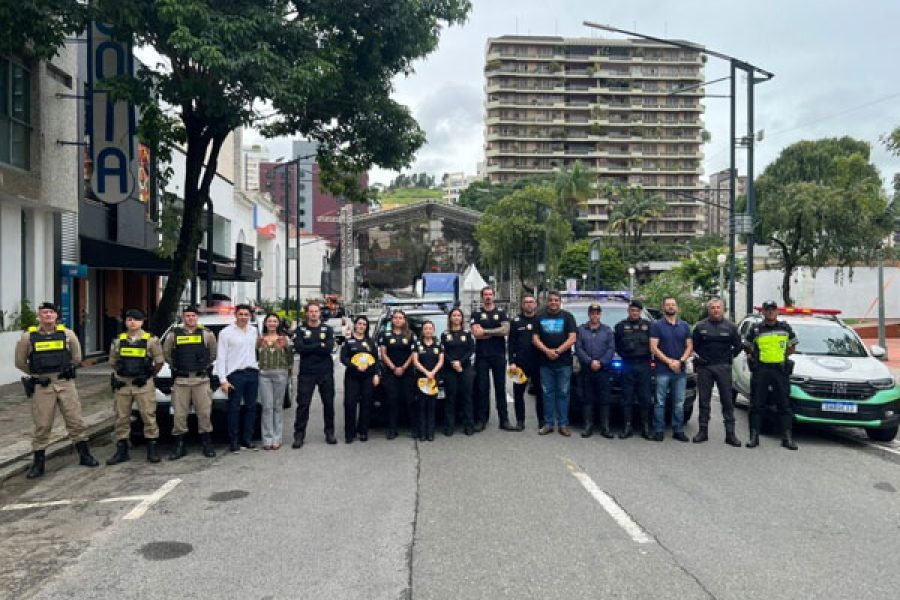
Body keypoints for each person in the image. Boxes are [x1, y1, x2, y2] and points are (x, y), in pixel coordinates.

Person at [15, 302, 99, 478]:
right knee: (42, 424)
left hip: (65, 383)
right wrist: (36, 374)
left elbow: (77, 357)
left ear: (56, 315)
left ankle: (85, 455)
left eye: (51, 312)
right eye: (44, 312)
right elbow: (20, 362)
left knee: (75, 420)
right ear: (39, 315)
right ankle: (38, 464)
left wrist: (67, 369)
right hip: (43, 385)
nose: (48, 315)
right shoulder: (28, 337)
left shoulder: (67, 334)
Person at [107, 309, 165, 464]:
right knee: (121, 418)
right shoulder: (118, 340)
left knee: (148, 416)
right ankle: (122, 450)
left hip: (143, 385)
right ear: (125, 322)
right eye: (129, 319)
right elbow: (113, 362)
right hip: (123, 384)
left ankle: (152, 450)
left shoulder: (151, 340)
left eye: (136, 319)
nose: (132, 322)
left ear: (142, 322)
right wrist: (122, 373)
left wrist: (147, 376)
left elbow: (159, 362)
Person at [163, 304, 218, 460]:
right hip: (181, 381)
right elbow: (167, 355)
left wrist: (202, 366)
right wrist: (179, 367)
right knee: (179, 415)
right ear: (183, 317)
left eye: (193, 315)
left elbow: (212, 354)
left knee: (204, 414)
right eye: (187, 316)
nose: (190, 318)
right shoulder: (173, 335)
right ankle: (180, 445)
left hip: (201, 380)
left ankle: (207, 443)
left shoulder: (207, 334)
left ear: (197, 317)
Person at [744, 300, 799, 450]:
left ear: (777, 311)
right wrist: (754, 356)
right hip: (761, 369)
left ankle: (787, 438)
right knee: (756, 404)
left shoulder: (785, 328)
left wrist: (782, 356)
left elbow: (792, 346)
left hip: (779, 370)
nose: (770, 312)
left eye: (773, 309)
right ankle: (754, 437)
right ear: (763, 312)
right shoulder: (756, 329)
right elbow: (747, 346)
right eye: (767, 309)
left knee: (784, 405)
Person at [691, 297, 743, 446]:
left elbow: (738, 346)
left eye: (718, 307)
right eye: (712, 308)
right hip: (705, 367)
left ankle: (730, 434)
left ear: (723, 309)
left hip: (723, 367)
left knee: (727, 401)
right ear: (708, 310)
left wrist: (728, 357)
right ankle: (702, 432)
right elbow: (693, 346)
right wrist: (699, 360)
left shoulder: (731, 327)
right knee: (704, 401)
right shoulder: (700, 326)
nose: (715, 310)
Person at [532, 291, 578, 436]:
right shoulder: (539, 317)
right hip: (545, 363)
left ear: (560, 302)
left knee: (563, 393)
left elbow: (572, 338)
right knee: (547, 394)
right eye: (551, 300)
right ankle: (548, 424)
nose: (553, 302)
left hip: (564, 363)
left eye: (556, 300)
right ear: (547, 302)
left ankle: (563, 424)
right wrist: (547, 351)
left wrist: (557, 351)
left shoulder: (568, 317)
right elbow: (535, 338)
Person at [216, 304, 260, 453]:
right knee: (234, 409)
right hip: (235, 375)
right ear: (235, 315)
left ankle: (247, 439)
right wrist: (223, 380)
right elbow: (221, 357)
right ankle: (233, 442)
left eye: (246, 314)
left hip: (252, 373)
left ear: (250, 316)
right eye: (240, 314)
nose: (243, 317)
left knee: (251, 407)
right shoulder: (226, 333)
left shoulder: (254, 331)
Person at [649, 297, 693, 442]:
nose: (671, 307)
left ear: (677, 307)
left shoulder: (684, 326)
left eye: (673, 304)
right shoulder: (657, 325)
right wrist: (669, 362)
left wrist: (680, 361)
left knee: (679, 403)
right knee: (660, 402)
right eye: (668, 305)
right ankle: (658, 430)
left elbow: (689, 346)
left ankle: (678, 430)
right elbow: (653, 347)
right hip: (662, 370)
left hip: (679, 371)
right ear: (663, 308)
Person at [292, 301, 336, 447]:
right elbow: (299, 348)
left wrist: (309, 346)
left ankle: (329, 432)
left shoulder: (328, 329)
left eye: (316, 311)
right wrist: (319, 345)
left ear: (319, 313)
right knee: (303, 404)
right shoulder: (300, 329)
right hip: (307, 373)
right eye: (311, 311)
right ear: (307, 313)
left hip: (325, 371)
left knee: (328, 404)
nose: (313, 314)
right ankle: (299, 435)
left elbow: (328, 348)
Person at [470, 286, 514, 431]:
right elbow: (476, 334)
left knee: (500, 388)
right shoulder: (477, 314)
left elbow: (505, 330)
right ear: (482, 297)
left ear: (494, 296)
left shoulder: (501, 313)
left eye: (490, 294)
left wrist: (486, 331)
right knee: (482, 389)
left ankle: (504, 420)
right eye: (485, 295)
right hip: (482, 356)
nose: (488, 297)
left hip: (498, 355)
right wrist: (495, 332)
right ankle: (482, 420)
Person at [574, 303, 616, 439]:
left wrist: (601, 362)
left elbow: (611, 349)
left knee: (605, 399)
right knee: (587, 399)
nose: (595, 315)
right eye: (592, 313)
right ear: (589, 314)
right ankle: (588, 427)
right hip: (587, 369)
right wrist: (589, 361)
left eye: (597, 313)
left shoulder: (607, 330)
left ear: (600, 315)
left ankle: (605, 428)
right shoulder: (581, 330)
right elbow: (578, 348)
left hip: (603, 370)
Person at [614, 300, 653, 440]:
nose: (634, 313)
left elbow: (655, 344)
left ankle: (645, 428)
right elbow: (616, 345)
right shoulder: (620, 326)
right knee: (627, 397)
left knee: (645, 397)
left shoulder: (649, 326)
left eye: (637, 310)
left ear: (640, 312)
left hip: (644, 364)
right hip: (627, 364)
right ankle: (627, 427)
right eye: (632, 310)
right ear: (628, 311)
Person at [339, 315, 380, 443]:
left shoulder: (371, 342)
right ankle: (349, 433)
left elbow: (376, 360)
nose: (361, 326)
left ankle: (363, 431)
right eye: (359, 324)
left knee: (366, 404)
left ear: (366, 327)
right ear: (355, 325)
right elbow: (343, 358)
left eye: (364, 324)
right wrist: (355, 366)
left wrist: (376, 374)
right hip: (352, 377)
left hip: (368, 377)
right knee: (350, 404)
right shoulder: (348, 342)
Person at [378, 310, 417, 440]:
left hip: (408, 372)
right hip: (390, 372)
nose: (398, 320)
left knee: (410, 400)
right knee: (392, 400)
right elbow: (383, 354)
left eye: (401, 318)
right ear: (392, 320)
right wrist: (394, 368)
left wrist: (404, 367)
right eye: (395, 317)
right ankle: (392, 429)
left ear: (404, 320)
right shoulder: (385, 335)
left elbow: (413, 353)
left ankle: (414, 428)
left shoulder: (410, 334)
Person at [257, 313, 293, 450]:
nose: (272, 323)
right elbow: (255, 356)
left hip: (280, 374)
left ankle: (277, 438)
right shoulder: (260, 339)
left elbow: (290, 358)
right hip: (264, 375)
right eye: (269, 321)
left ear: (278, 324)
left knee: (278, 407)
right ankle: (267, 439)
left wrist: (288, 373)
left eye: (274, 321)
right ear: (265, 323)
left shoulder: (284, 339)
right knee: (267, 407)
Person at [508, 294, 542, 430]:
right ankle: (520, 421)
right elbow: (511, 343)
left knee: (540, 393)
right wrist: (511, 362)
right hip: (520, 364)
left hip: (538, 363)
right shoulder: (516, 321)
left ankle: (542, 421)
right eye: (526, 302)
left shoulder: (540, 320)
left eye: (531, 302)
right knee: (518, 393)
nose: (529, 304)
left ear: (535, 304)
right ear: (522, 305)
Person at [441, 308, 475, 436]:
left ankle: (469, 425)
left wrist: (460, 362)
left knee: (467, 397)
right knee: (450, 398)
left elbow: (471, 350)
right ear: (450, 318)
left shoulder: (467, 333)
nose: (456, 317)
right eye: (454, 315)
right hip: (450, 369)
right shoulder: (445, 334)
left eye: (458, 315)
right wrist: (453, 363)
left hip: (465, 368)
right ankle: (449, 426)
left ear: (461, 318)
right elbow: (443, 352)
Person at [413, 321, 444, 442]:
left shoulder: (438, 344)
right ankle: (421, 433)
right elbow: (415, 361)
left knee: (431, 407)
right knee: (421, 406)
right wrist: (426, 372)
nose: (428, 331)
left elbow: (441, 361)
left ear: (433, 330)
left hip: (433, 379)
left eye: (430, 328)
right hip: (421, 379)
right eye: (425, 328)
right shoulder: (417, 344)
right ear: (422, 331)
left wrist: (433, 372)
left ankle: (430, 433)